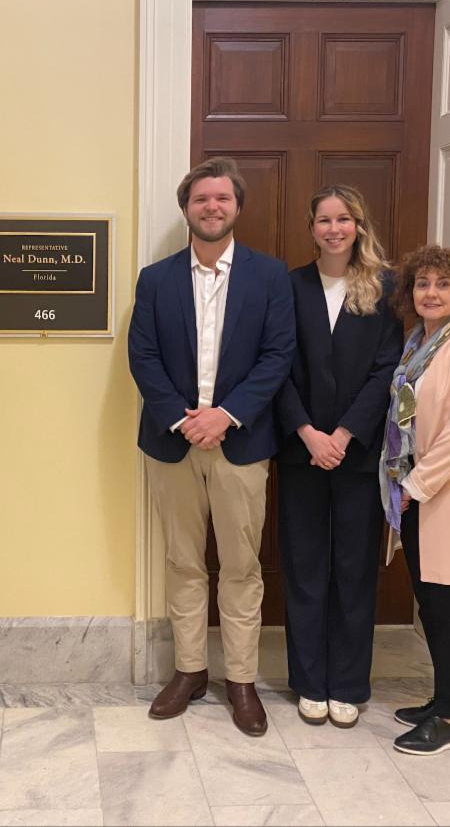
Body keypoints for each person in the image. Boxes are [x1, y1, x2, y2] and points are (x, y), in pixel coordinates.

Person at [129, 157, 295, 736]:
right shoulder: (155, 279)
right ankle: (190, 671)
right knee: (183, 562)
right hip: (172, 443)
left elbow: (278, 355)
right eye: (201, 199)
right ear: (186, 208)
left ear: (237, 207)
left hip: (241, 443)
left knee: (242, 566)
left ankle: (242, 680)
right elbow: (143, 356)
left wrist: (225, 415)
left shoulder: (269, 276)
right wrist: (184, 420)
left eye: (222, 198)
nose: (212, 207)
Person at [275, 186, 403, 728]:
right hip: (300, 452)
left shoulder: (385, 288)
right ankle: (309, 681)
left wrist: (344, 434)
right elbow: (275, 365)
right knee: (304, 568)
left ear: (358, 225)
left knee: (353, 570)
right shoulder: (289, 286)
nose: (334, 229)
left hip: (357, 454)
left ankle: (348, 684)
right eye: (324, 220)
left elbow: (387, 369)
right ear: (311, 228)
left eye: (343, 219)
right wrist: (308, 433)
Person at [379, 245, 450, 755]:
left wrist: (416, 485)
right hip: (413, 489)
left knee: (448, 608)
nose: (430, 293)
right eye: (422, 283)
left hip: (445, 491)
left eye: (443, 284)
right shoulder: (417, 343)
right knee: (431, 603)